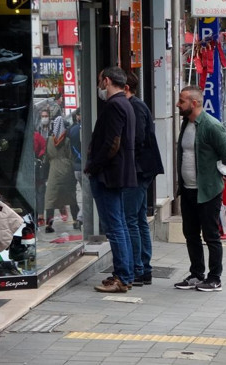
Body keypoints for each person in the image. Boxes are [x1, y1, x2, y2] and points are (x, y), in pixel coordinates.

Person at [174, 85, 226, 292]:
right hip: (188, 189)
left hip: (207, 190)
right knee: (190, 234)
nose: (177, 104)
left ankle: (214, 277)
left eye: (182, 101)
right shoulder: (186, 124)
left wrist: (217, 174)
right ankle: (196, 274)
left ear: (195, 103)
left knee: (211, 235)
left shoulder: (211, 125)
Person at [85, 67, 137, 293]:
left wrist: (93, 165)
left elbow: (112, 143)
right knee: (120, 225)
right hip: (116, 173)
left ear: (106, 81)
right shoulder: (126, 103)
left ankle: (122, 277)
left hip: (108, 174)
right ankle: (123, 274)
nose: (99, 86)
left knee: (115, 226)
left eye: (100, 81)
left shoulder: (115, 105)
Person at [123, 72, 165, 286]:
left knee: (131, 219)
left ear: (126, 87)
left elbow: (137, 139)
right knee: (138, 219)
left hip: (139, 170)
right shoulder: (135, 105)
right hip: (141, 169)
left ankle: (139, 268)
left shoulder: (135, 107)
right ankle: (143, 267)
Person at [43, 116, 78, 233]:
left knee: (50, 199)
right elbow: (70, 156)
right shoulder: (66, 140)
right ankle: (76, 222)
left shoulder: (48, 140)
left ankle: (49, 225)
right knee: (72, 198)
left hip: (53, 171)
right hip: (67, 171)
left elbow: (46, 155)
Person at [67, 108, 83, 229]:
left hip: (75, 166)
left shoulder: (71, 130)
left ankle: (78, 217)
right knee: (88, 194)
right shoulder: (86, 128)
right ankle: (80, 217)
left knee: (80, 194)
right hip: (85, 166)